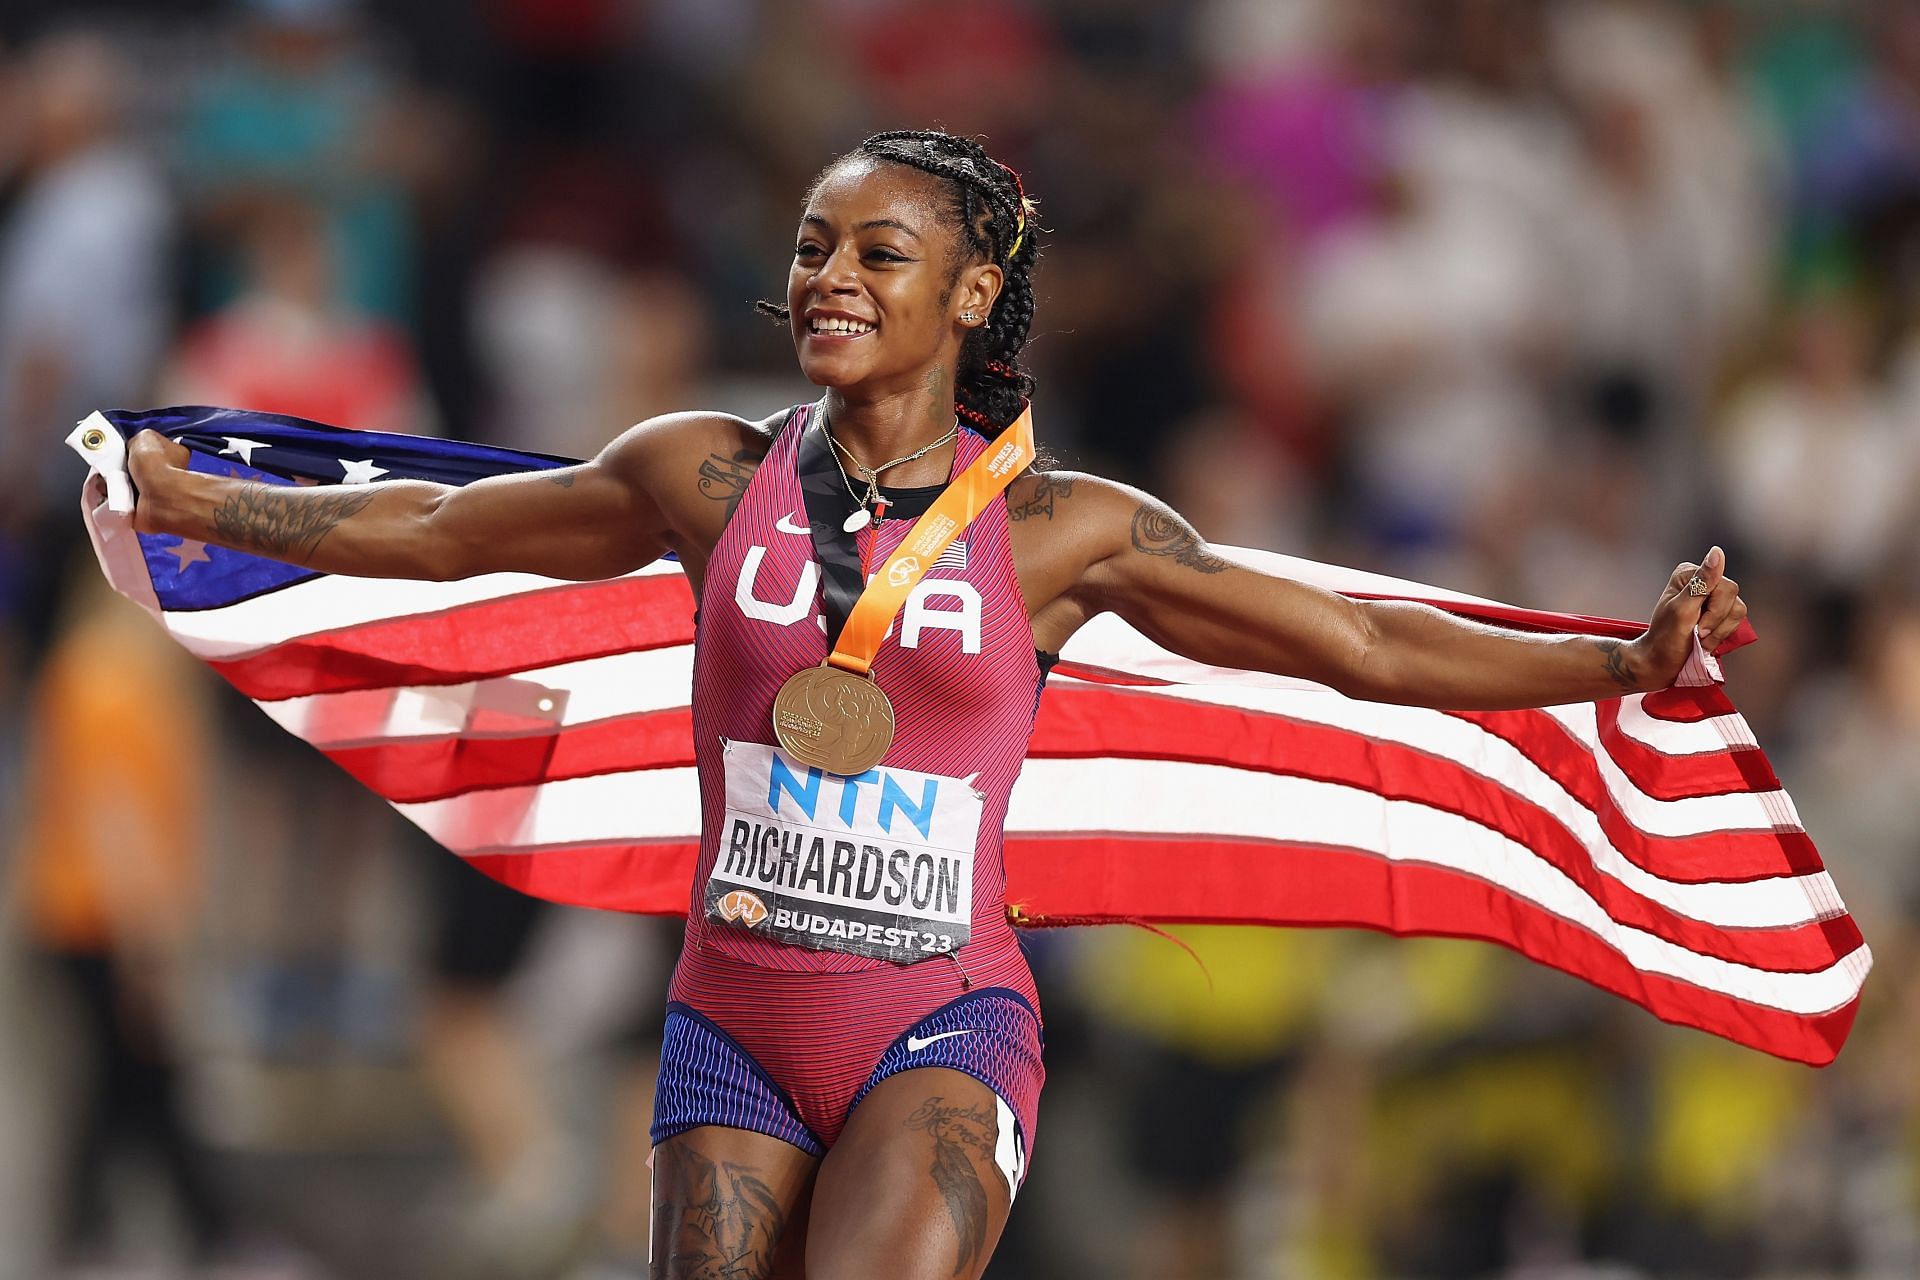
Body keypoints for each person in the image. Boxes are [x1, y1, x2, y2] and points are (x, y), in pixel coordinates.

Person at [120, 128, 1748, 1279]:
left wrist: (1615, 664)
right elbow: (446, 532)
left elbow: (1361, 650)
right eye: (813, 245)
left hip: (939, 1024)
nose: (827, 276)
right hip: (728, 1030)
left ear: (971, 299)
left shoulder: (1064, 529)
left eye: (876, 253)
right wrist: (212, 513)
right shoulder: (703, 472)